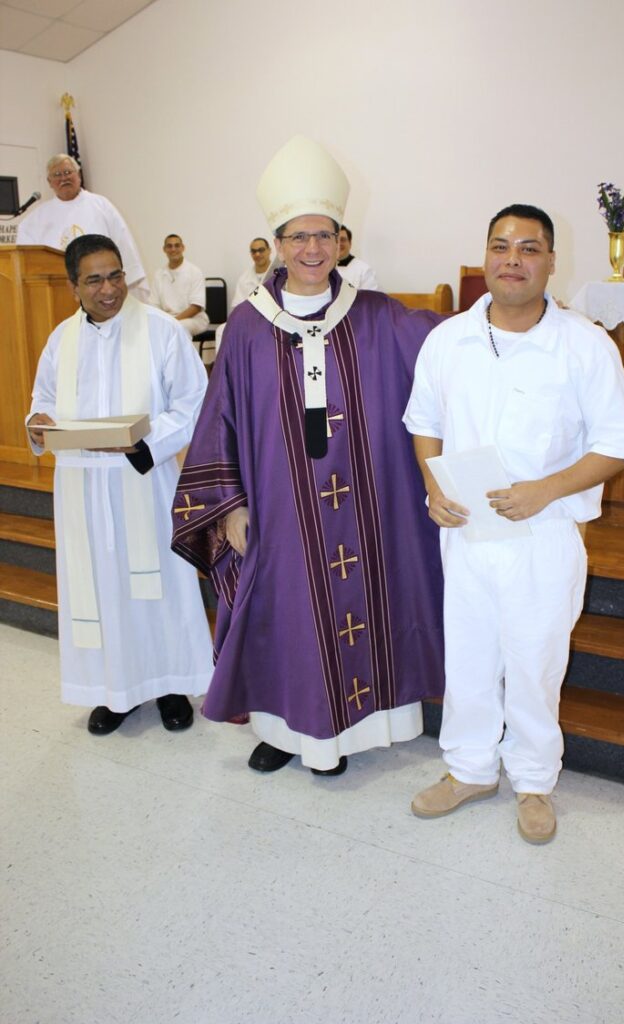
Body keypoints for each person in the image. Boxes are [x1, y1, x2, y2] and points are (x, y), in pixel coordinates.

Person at [171, 135, 444, 776]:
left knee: (364, 604)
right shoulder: (246, 325)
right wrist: (229, 505)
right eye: (299, 236)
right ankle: (284, 729)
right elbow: (221, 419)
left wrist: (508, 316)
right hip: (279, 507)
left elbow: (448, 348)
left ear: (344, 241)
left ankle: (353, 733)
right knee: (285, 612)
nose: (313, 249)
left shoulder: (377, 315)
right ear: (277, 243)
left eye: (325, 235)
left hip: (367, 507)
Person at [403, 204, 624, 842]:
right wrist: (433, 484)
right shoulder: (447, 339)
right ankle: (469, 769)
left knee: (536, 663)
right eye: (501, 246)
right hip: (466, 529)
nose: (513, 259)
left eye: (529, 248)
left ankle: (534, 781)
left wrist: (546, 490)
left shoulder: (584, 344)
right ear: (485, 256)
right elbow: (424, 421)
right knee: (469, 657)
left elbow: (617, 445)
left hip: (544, 533)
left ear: (551, 261)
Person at [27, 234, 213, 735]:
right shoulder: (61, 340)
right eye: (94, 280)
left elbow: (194, 402)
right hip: (83, 487)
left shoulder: (160, 330)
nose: (109, 289)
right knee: (102, 588)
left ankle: (171, 686)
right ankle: (116, 691)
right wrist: (37, 423)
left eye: (115, 276)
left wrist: (144, 444)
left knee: (158, 587)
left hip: (143, 479)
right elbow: (42, 401)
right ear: (73, 286)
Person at [17, 154, 149, 299]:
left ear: (78, 175)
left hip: (102, 290)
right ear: (50, 182)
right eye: (57, 175)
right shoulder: (36, 219)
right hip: (56, 294)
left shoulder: (101, 206)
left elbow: (123, 243)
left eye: (68, 172)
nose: (63, 178)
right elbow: (26, 259)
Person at [150, 233, 209, 338]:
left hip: (194, 319)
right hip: (168, 319)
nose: (173, 249)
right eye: (169, 246)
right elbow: (154, 305)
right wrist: (163, 321)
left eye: (177, 245)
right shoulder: (158, 274)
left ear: (183, 248)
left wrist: (173, 321)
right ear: (164, 249)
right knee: (149, 329)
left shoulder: (194, 272)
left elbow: (196, 307)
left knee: (178, 328)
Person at [230, 236, 278, 311]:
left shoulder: (279, 275)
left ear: (269, 250)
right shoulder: (244, 279)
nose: (257, 254)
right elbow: (237, 308)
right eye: (253, 251)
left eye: (261, 250)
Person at [336, 224, 379, 290]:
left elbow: (371, 296)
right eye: (336, 240)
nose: (339, 244)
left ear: (350, 243)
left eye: (343, 240)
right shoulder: (323, 268)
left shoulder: (364, 271)